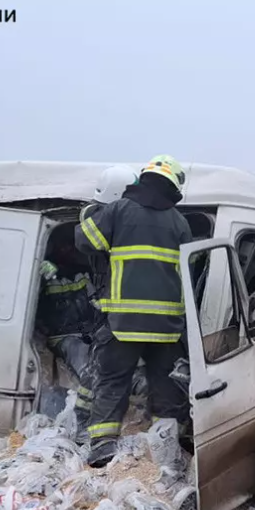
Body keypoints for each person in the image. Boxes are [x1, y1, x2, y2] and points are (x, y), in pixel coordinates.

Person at [76, 154, 193, 469]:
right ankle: (166, 451)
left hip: (124, 324)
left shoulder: (119, 211)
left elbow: (85, 241)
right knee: (165, 384)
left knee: (114, 380)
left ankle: (102, 445)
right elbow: (190, 272)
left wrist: (92, 212)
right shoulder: (180, 223)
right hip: (167, 328)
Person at [35, 223, 101, 419]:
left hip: (88, 332)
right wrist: (40, 278)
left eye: (71, 246)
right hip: (63, 336)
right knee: (83, 359)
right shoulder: (44, 272)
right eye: (63, 246)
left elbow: (95, 302)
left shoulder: (82, 272)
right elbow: (31, 305)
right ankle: (86, 415)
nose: (68, 250)